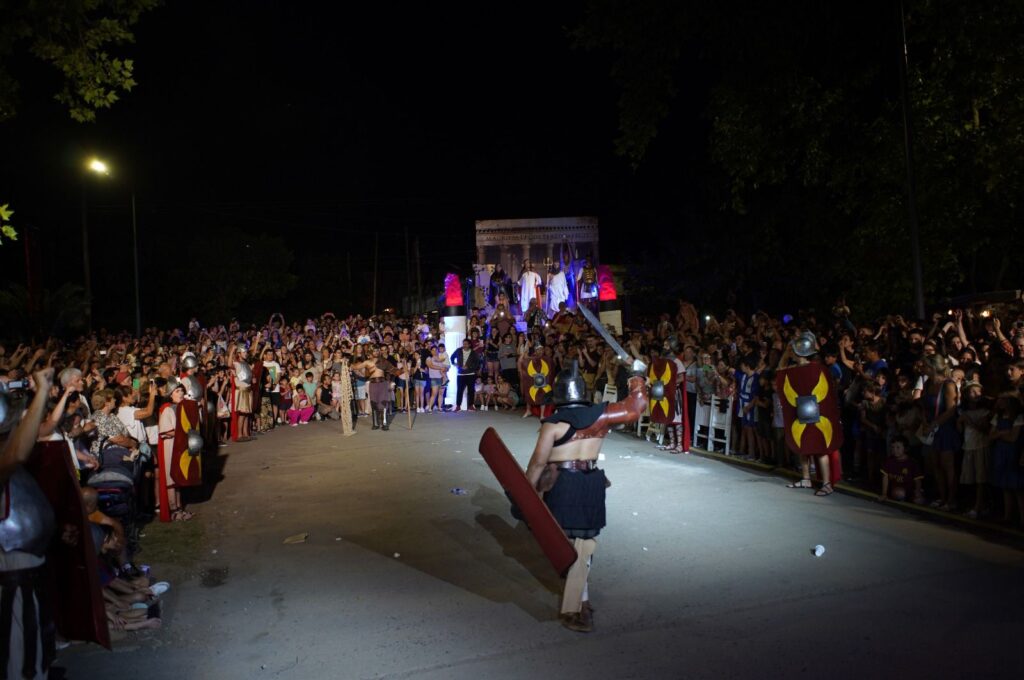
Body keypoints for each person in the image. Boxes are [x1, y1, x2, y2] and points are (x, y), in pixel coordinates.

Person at [523, 360, 648, 633]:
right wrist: (637, 375)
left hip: (563, 486)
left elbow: (537, 465)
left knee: (572, 549)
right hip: (590, 484)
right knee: (584, 545)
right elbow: (636, 407)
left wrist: (525, 496)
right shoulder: (600, 417)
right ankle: (583, 600)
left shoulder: (552, 426)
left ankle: (576, 609)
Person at [1, 368, 59, 679]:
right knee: (21, 665)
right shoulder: (6, 459)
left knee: (36, 655)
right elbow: (17, 454)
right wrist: (42, 391)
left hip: (29, 572)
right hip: (11, 580)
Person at [877, 435, 924, 503]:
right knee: (899, 493)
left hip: (910, 490)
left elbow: (917, 480)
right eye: (892, 447)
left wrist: (918, 491)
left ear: (905, 448)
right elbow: (885, 477)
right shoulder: (889, 460)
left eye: (898, 447)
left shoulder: (912, 463)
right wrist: (884, 494)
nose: (895, 450)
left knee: (919, 500)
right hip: (896, 490)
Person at [451, 338, 481, 412]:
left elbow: (477, 363)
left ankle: (471, 406)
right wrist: (455, 364)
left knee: (471, 391)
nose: (464, 345)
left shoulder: (473, 353)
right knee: (459, 390)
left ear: (469, 345)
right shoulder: (459, 350)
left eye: (466, 344)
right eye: (463, 343)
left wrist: (469, 367)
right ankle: (458, 406)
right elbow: (452, 357)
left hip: (470, 374)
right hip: (460, 374)